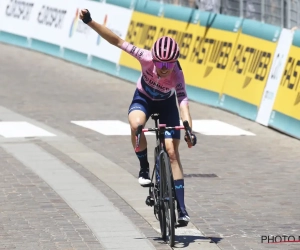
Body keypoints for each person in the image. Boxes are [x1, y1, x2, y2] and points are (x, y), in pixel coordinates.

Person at [79, 9, 197, 226]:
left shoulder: (177, 74)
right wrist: (90, 22)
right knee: (136, 125)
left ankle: (181, 208)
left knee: (172, 152)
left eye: (168, 65)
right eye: (160, 64)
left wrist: (188, 128)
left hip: (167, 105)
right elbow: (116, 40)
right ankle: (143, 167)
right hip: (143, 98)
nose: (163, 69)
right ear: (154, 58)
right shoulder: (145, 56)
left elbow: (183, 102)